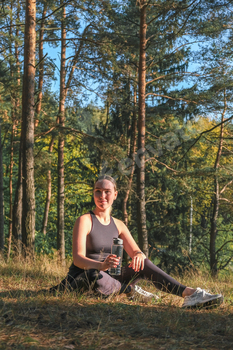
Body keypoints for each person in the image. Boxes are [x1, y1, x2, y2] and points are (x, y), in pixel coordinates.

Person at [51, 175, 223, 308]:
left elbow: (136, 252)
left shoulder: (119, 224)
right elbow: (78, 259)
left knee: (143, 263)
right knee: (94, 275)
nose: (102, 195)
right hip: (84, 277)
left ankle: (190, 294)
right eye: (97, 191)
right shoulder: (85, 220)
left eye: (107, 191)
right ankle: (131, 291)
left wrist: (139, 255)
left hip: (112, 277)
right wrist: (102, 265)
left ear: (115, 195)